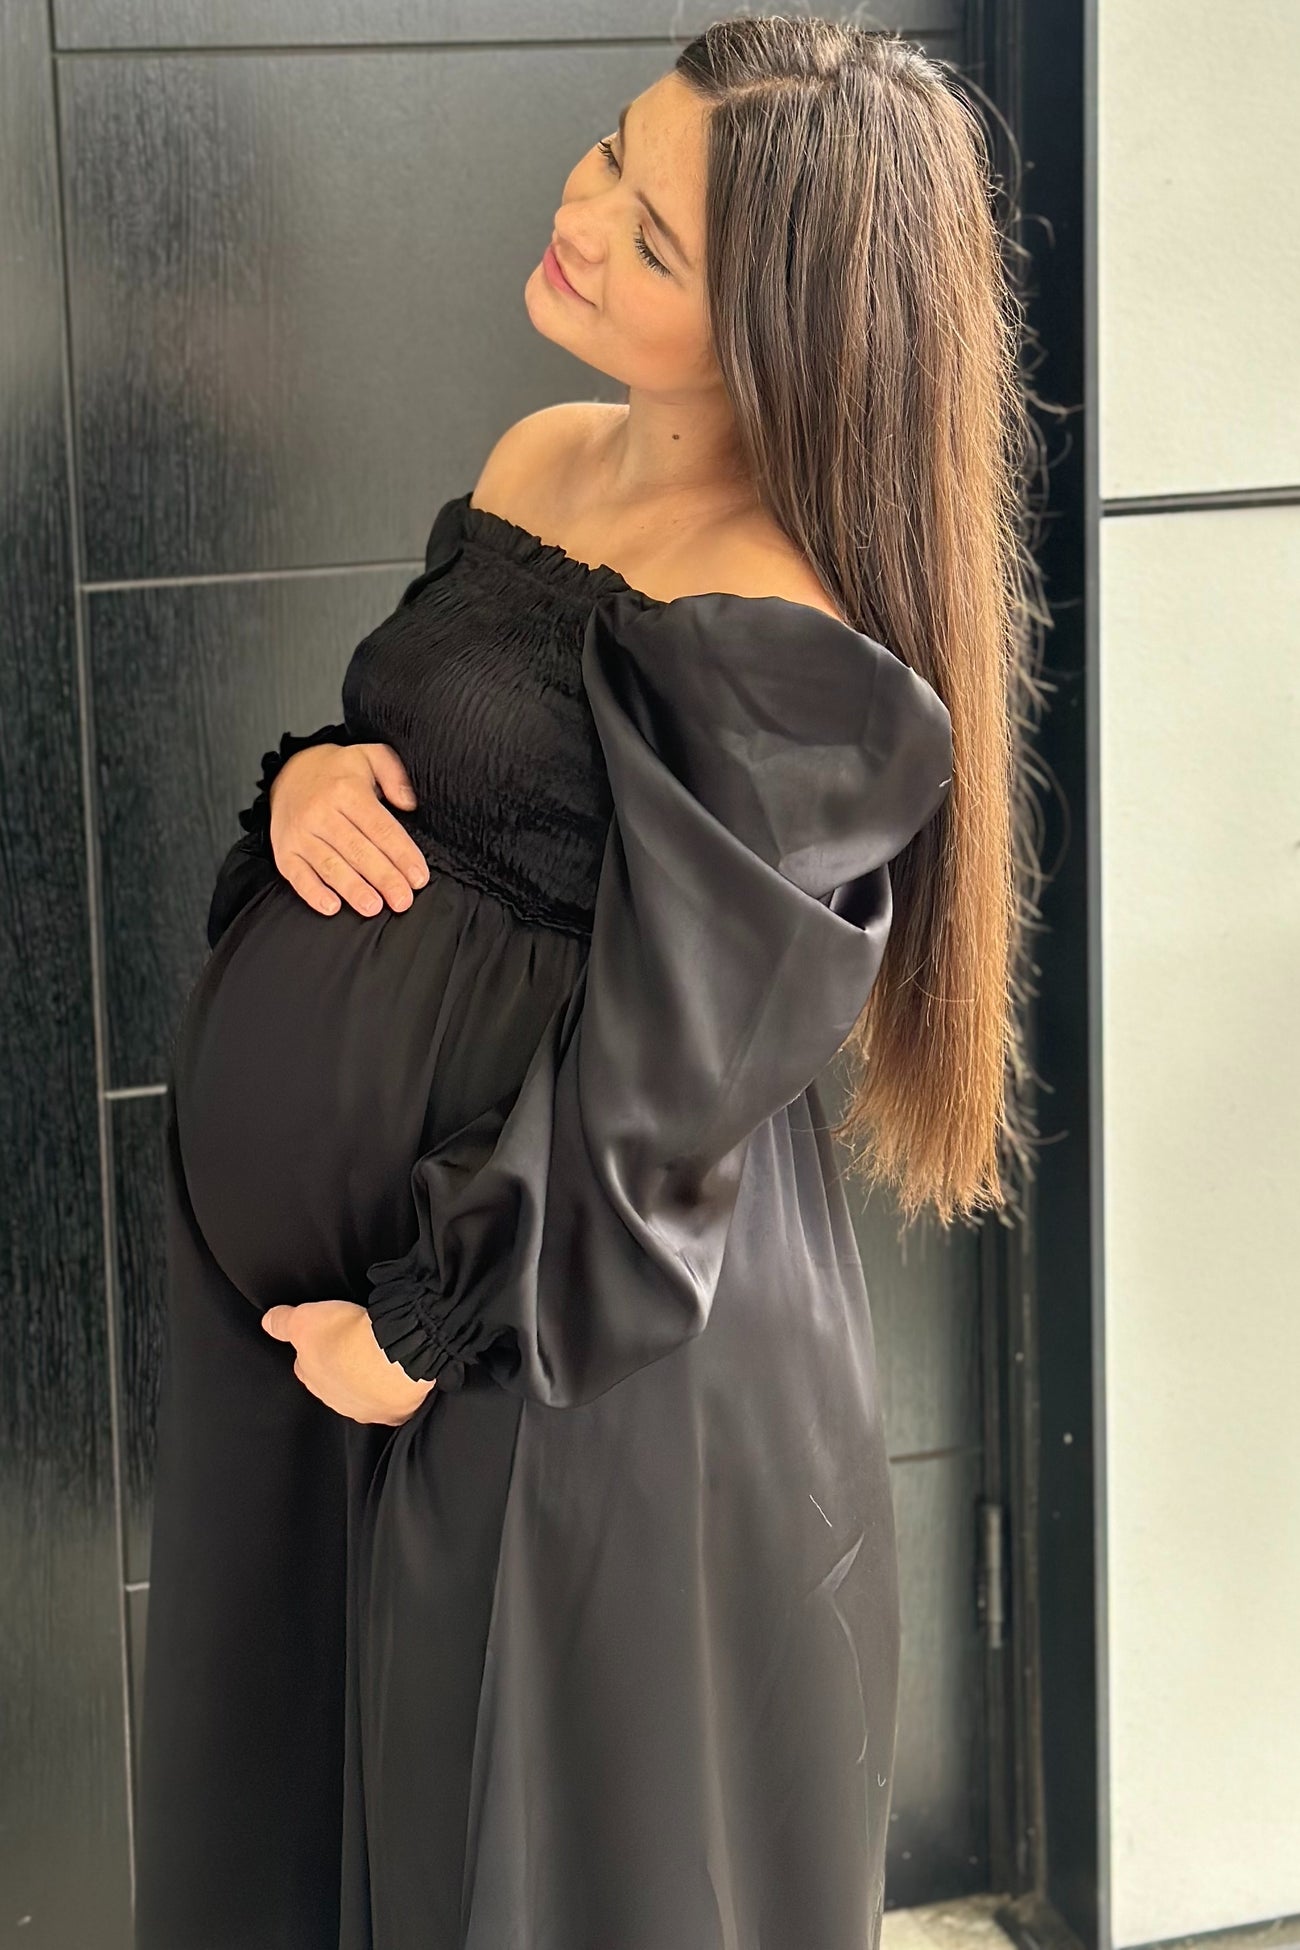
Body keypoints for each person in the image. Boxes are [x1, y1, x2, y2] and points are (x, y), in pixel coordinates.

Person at [134, 17, 1041, 1949]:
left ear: (779, 332)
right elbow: (442, 770)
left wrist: (427, 1319)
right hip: (370, 1336)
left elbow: (663, 1090)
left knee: (526, 1866)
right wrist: (309, 783)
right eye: (616, 152)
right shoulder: (541, 456)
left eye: (655, 236)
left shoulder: (784, 630)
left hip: (556, 1345)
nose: (583, 215)